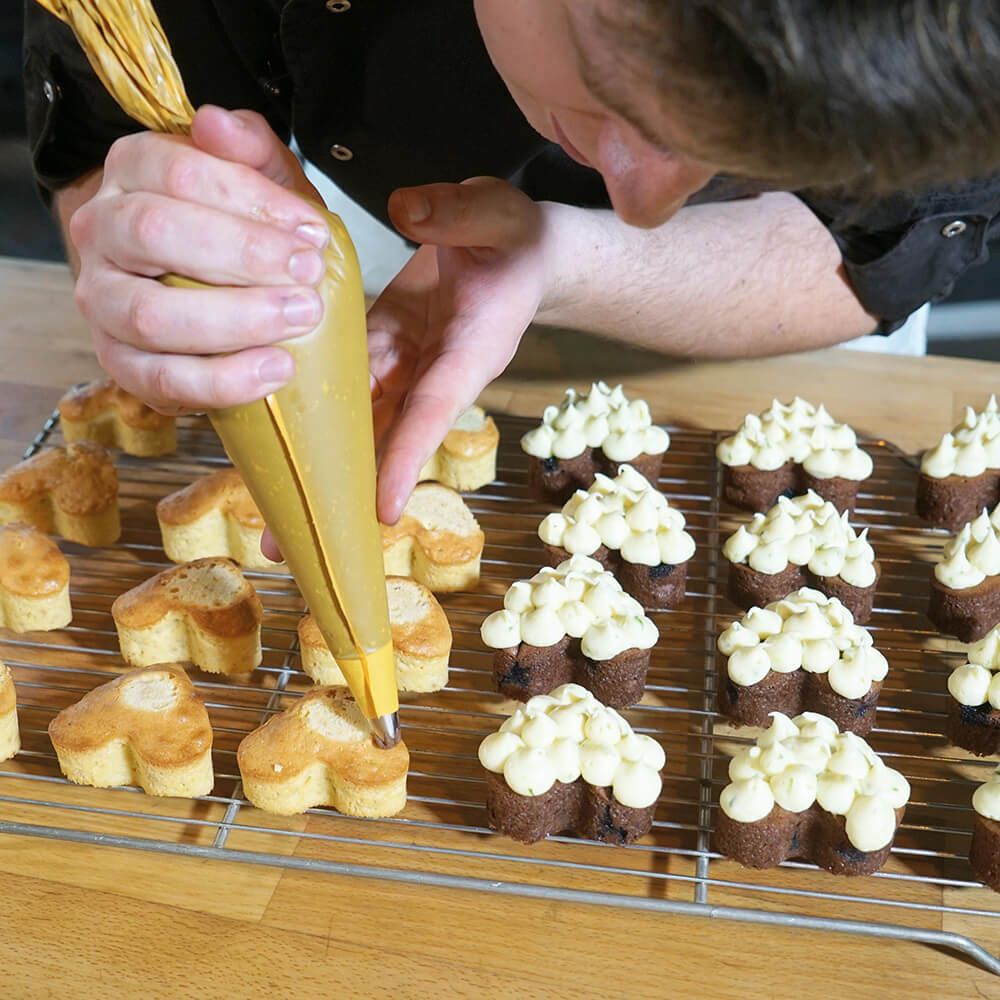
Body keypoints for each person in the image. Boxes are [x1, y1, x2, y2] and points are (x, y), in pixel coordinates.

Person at [23, 0, 1000, 524]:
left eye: (738, 147)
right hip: (367, 241)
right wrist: (156, 244)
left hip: (774, 307)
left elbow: (887, 245)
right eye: (616, 96)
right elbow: (115, 122)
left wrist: (565, 259)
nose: (645, 203)